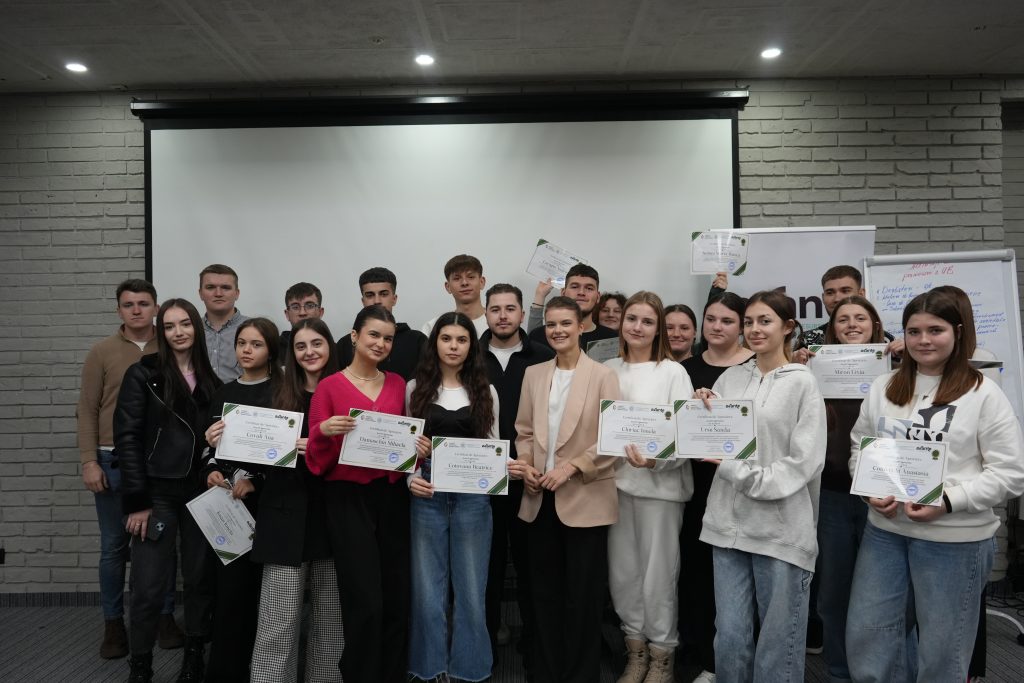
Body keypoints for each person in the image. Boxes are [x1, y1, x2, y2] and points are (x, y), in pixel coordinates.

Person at [846, 289, 1024, 682]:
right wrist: (869, 489)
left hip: (954, 541)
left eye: (935, 330)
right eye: (913, 331)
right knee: (869, 639)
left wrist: (948, 501)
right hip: (886, 533)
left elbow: (1011, 474)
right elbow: (861, 446)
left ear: (958, 332)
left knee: (942, 653)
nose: (923, 340)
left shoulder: (984, 394)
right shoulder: (884, 387)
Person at [695, 290, 826, 682]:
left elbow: (804, 463)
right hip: (727, 527)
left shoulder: (803, 383)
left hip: (780, 531)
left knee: (778, 644)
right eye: (749, 321)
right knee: (730, 639)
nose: (754, 329)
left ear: (788, 327)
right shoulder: (731, 377)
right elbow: (712, 439)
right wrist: (700, 408)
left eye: (765, 321)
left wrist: (740, 473)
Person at [307, 304, 428, 683]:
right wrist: (323, 432)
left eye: (387, 338)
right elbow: (315, 462)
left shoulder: (398, 384)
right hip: (347, 500)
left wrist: (419, 448)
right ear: (355, 336)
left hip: (391, 499)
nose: (380, 343)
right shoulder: (329, 387)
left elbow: (405, 446)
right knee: (365, 602)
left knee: (396, 598)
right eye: (373, 335)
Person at [509, 296, 622, 683]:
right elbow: (524, 432)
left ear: (580, 327)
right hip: (539, 499)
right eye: (552, 324)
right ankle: (545, 672)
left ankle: (580, 676)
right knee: (544, 594)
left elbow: (612, 438)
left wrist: (572, 468)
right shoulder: (534, 374)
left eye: (565, 324)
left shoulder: (603, 375)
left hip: (585, 501)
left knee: (583, 598)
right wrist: (526, 465)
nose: (558, 330)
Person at [76, 279, 184, 659]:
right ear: (118, 309)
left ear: (155, 307)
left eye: (143, 303)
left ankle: (164, 617)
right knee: (113, 547)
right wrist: (89, 461)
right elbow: (87, 409)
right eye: (128, 304)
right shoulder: (102, 352)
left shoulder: (169, 347)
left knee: (158, 543)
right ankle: (113, 623)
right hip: (112, 460)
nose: (136, 310)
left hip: (156, 461)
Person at [115, 299, 221, 683]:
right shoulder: (142, 374)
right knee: (147, 586)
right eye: (171, 326)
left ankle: (194, 659)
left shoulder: (212, 381)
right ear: (162, 331)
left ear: (196, 328)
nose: (179, 332)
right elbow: (127, 440)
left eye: (185, 324)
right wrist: (137, 502)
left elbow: (212, 444)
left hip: (200, 492)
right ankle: (140, 665)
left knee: (199, 580)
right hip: (156, 495)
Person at [406, 312, 501, 682]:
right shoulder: (415, 389)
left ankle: (469, 670)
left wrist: (505, 467)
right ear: (435, 343)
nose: (454, 346)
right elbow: (405, 449)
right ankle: (430, 669)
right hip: (426, 494)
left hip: (473, 497)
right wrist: (410, 479)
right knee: (427, 590)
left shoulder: (486, 391)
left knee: (471, 590)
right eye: (446, 338)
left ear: (471, 346)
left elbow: (493, 446)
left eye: (462, 340)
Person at [605, 292, 694, 683]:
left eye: (647, 321)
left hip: (660, 490)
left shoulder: (673, 373)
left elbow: (684, 435)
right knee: (623, 575)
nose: (637, 327)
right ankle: (636, 650)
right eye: (631, 319)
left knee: (658, 576)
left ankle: (662, 654)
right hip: (615, 488)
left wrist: (657, 460)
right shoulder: (607, 368)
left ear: (658, 329)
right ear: (621, 322)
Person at [249, 318, 343, 683]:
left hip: (333, 513)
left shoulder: (346, 390)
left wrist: (321, 445)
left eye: (317, 343)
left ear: (330, 346)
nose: (309, 352)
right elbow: (254, 453)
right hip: (284, 516)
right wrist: (222, 439)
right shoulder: (274, 394)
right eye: (301, 346)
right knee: (278, 620)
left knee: (331, 621)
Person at [678, 291, 754, 683]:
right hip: (693, 484)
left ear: (741, 326)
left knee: (734, 579)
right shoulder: (685, 368)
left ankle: (726, 657)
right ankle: (696, 648)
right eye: (710, 319)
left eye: (727, 320)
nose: (716, 326)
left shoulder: (755, 369)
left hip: (738, 484)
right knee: (694, 570)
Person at [201, 317, 280, 683]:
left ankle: (261, 671)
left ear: (271, 350)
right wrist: (211, 470)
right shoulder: (224, 392)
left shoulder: (282, 391)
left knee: (265, 597)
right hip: (229, 506)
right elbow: (211, 447)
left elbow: (283, 455)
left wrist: (256, 481)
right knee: (230, 594)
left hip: (269, 505)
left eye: (256, 344)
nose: (247, 350)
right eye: (242, 343)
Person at [480, 284, 554, 667]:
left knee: (532, 568)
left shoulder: (543, 356)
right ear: (486, 314)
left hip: (532, 478)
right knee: (487, 570)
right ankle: (486, 649)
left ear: (523, 314)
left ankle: (535, 649)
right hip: (482, 481)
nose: (503, 315)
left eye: (510, 308)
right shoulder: (470, 355)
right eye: (495, 309)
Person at [814, 295, 886, 682]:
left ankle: (878, 672)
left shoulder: (896, 368)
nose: (852, 324)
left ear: (875, 326)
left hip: (881, 496)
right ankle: (840, 672)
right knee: (833, 591)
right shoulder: (814, 367)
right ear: (833, 327)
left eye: (861, 317)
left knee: (882, 594)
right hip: (832, 494)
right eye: (843, 319)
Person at [339, 266, 426, 380]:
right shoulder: (344, 345)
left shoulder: (416, 341)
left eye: (383, 294)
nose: (377, 301)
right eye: (370, 295)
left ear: (394, 299)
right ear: (363, 301)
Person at [527, 263, 618, 352]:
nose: (581, 292)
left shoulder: (613, 339)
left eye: (589, 288)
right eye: (574, 287)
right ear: (563, 293)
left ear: (598, 297)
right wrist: (539, 296)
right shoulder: (539, 335)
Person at [198, 263, 249, 382]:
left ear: (237, 293)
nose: (218, 294)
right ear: (200, 293)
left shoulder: (255, 330)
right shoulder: (190, 330)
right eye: (210, 287)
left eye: (226, 287)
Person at [421, 254, 489, 337]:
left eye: (471, 277)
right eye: (457, 278)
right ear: (448, 287)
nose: (464, 283)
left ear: (482, 282)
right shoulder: (433, 327)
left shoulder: (499, 322)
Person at [279, 282, 325, 357]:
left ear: (320, 312)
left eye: (310, 306)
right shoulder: (273, 350)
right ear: (287, 314)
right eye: (295, 307)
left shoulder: (335, 350)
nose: (302, 313)